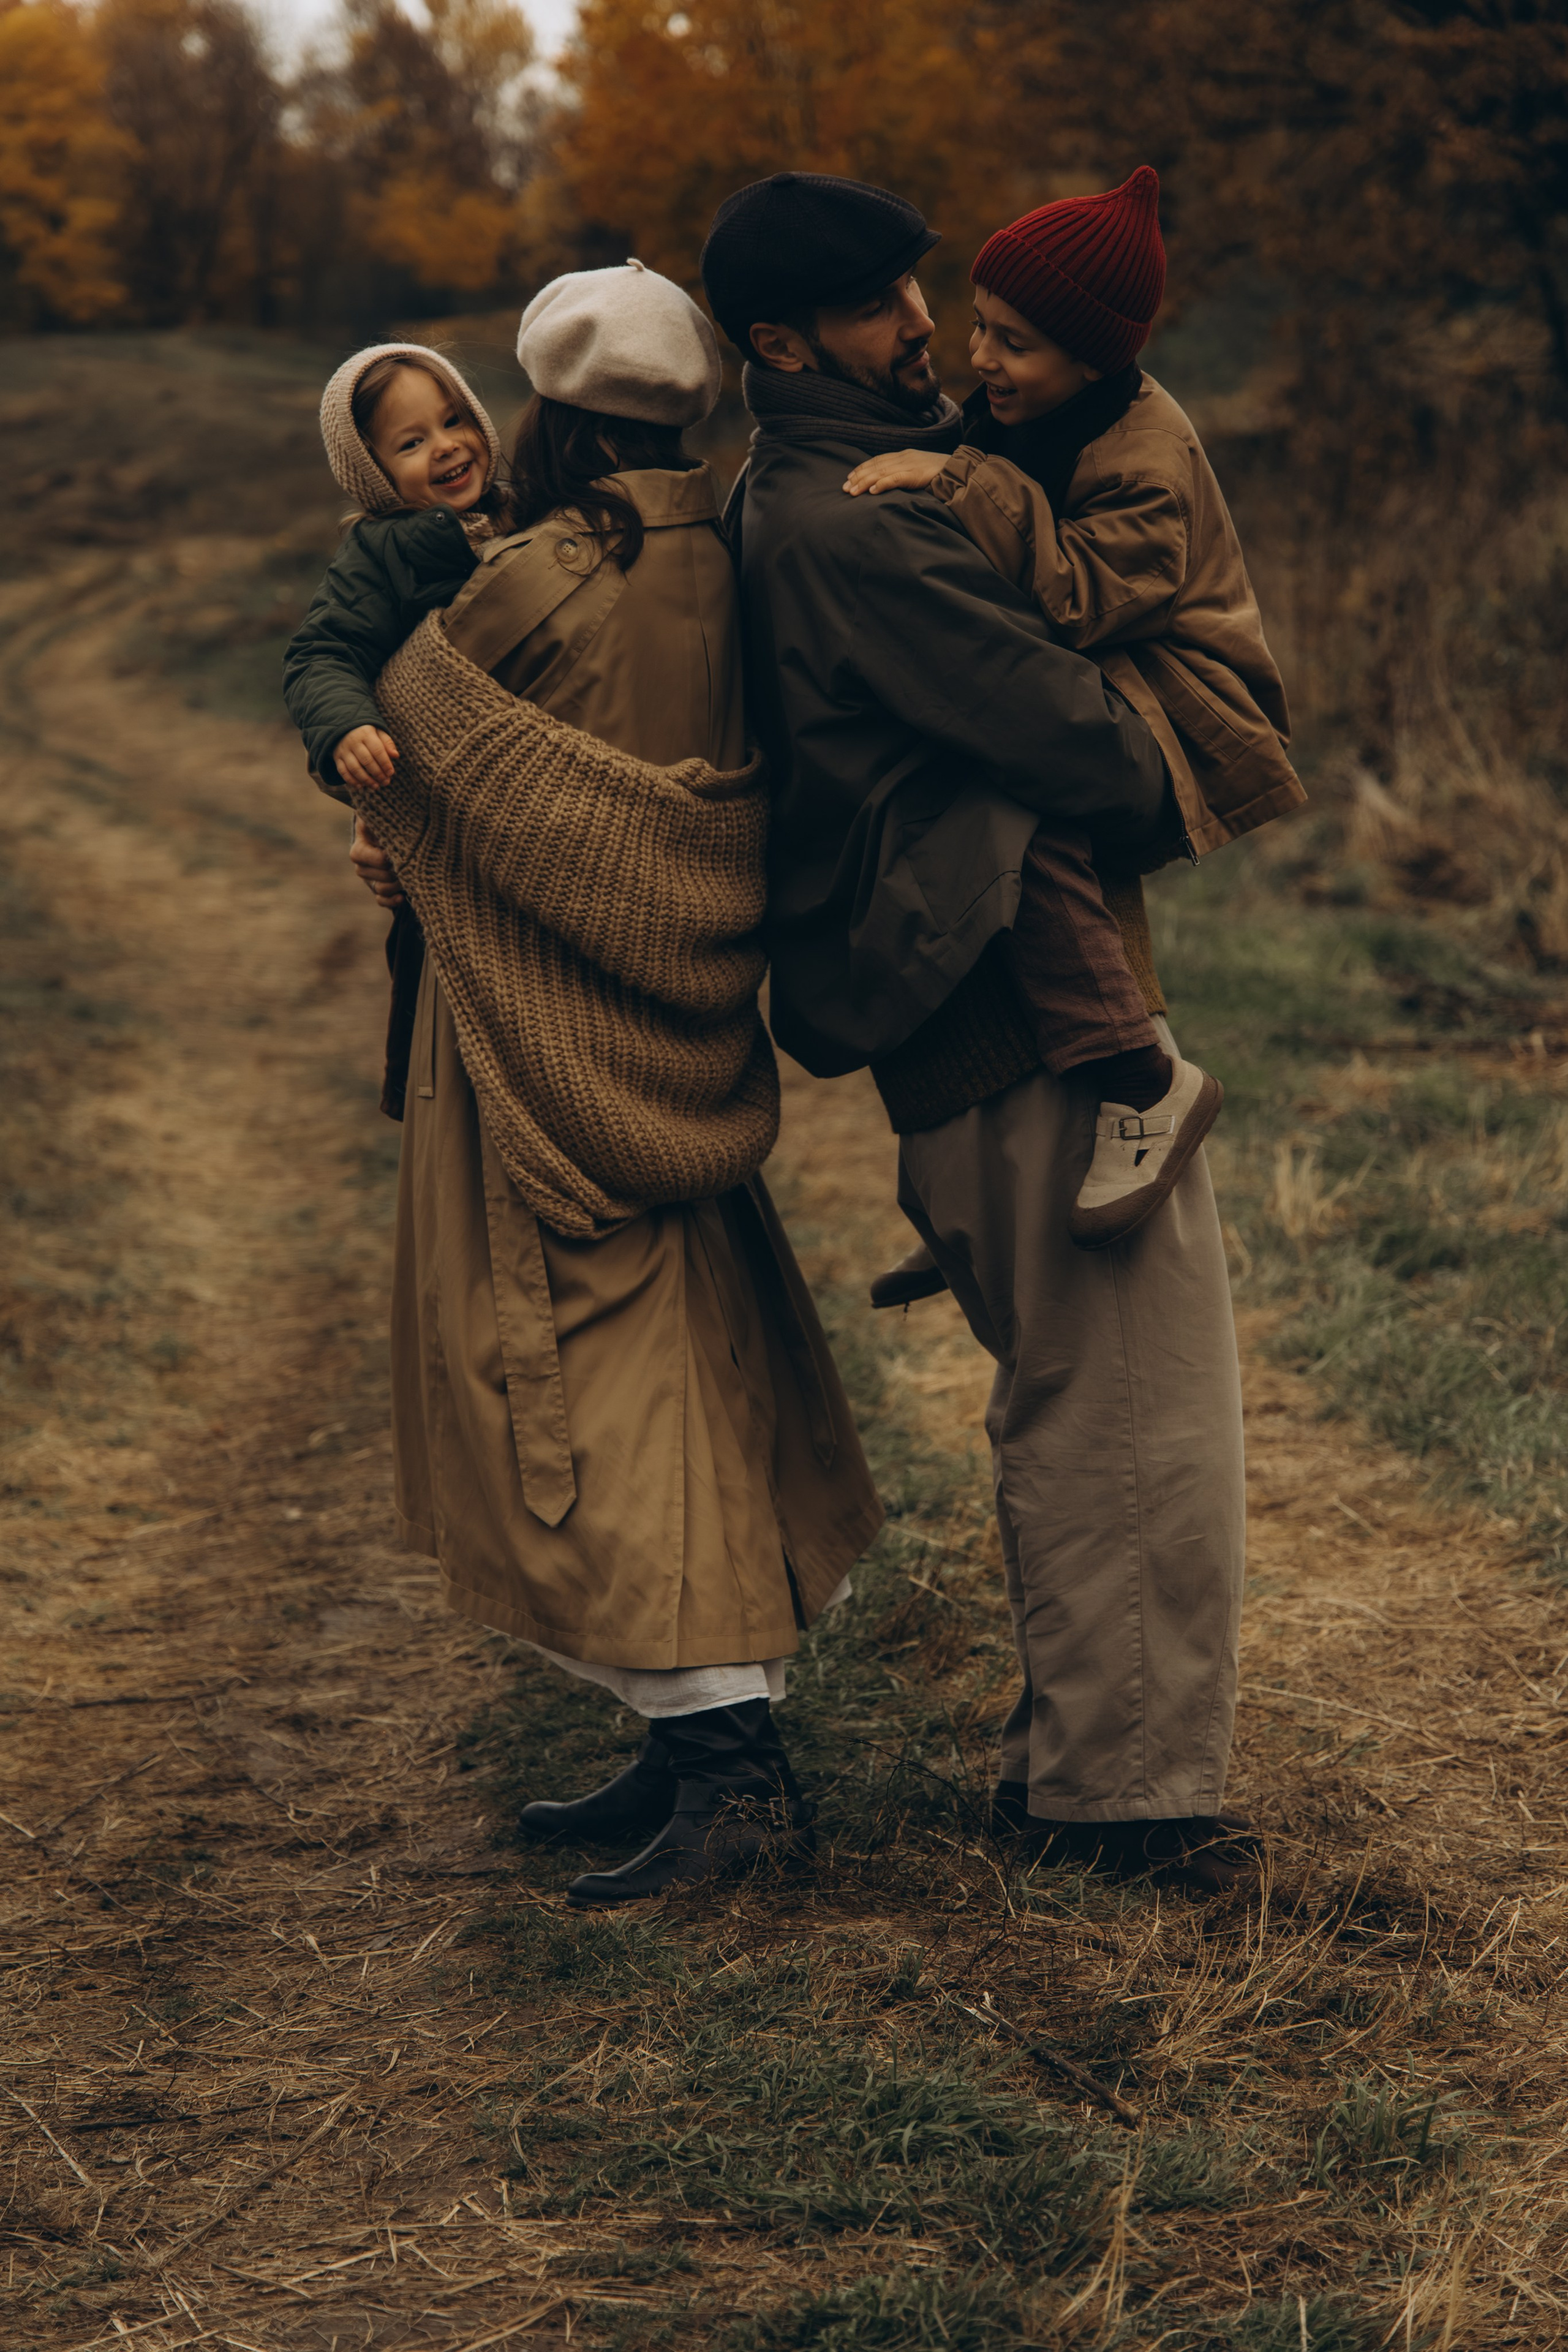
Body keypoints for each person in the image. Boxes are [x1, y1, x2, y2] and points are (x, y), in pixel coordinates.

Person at [300, 265, 884, 1909]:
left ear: (546, 412)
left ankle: (729, 1769)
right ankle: (689, 1727)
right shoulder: (725, 546)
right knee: (683, 1349)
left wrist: (388, 812)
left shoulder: (548, 576)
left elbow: (414, 731)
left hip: (544, 1035)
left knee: (577, 1374)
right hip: (679, 1020)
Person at [701, 173, 1253, 1893]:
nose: (926, 329)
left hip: (972, 1010)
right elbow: (1087, 749)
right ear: (782, 343)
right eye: (884, 309)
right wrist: (1189, 711)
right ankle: (1130, 1803)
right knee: (1135, 1415)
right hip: (1023, 1024)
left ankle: (1078, 1765)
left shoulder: (792, 493)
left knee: (1081, 1396)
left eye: (924, 294)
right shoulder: (867, 523)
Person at [841, 167, 1303, 1297]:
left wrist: (955, 481)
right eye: (981, 327)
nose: (981, 358)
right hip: (1118, 688)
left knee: (1018, 800)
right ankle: (999, 1192)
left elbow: (1081, 596)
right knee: (964, 832)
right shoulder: (1028, 410)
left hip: (1186, 712)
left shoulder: (1149, 460)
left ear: (1094, 361)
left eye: (1014, 345)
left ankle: (1143, 1081)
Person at [283, 341, 512, 797]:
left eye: (453, 421)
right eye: (412, 443)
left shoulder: (527, 508)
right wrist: (348, 726)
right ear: (374, 473)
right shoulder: (378, 555)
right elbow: (322, 654)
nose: (446, 446)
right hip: (458, 766)